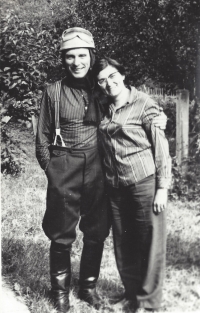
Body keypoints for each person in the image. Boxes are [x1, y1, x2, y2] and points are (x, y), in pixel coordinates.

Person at [36, 28, 167, 313]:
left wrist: (158, 116)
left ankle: (88, 288)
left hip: (99, 169)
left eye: (82, 55)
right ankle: (59, 293)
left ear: (91, 56)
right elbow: (42, 140)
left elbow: (132, 101)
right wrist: (53, 170)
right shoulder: (53, 92)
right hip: (64, 167)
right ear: (63, 59)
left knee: (96, 231)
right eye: (70, 56)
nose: (76, 61)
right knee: (61, 234)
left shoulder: (101, 88)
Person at [93, 57, 171, 312]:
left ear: (123, 75)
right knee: (124, 244)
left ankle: (148, 304)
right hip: (115, 188)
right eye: (102, 79)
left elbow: (161, 148)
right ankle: (131, 296)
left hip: (143, 184)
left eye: (113, 76)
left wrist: (162, 188)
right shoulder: (103, 106)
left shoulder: (144, 104)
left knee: (150, 244)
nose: (109, 83)